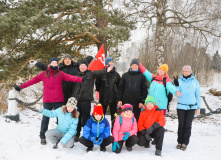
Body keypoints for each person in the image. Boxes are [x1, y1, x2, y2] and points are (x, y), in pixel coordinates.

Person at [13, 57, 83, 145]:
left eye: (56, 63)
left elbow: (71, 78)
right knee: (45, 118)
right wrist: (21, 87)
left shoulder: (61, 74)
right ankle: (42, 136)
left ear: (58, 64)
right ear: (49, 64)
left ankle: (61, 135)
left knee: (61, 118)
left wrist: (82, 79)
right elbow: (32, 81)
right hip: (47, 100)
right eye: (52, 62)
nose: (54, 64)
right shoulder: (43, 74)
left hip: (59, 100)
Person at [72, 59, 113, 142]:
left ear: (86, 67)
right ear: (79, 67)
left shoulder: (90, 74)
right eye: (81, 66)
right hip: (76, 101)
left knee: (87, 119)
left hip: (86, 100)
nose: (82, 67)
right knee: (77, 118)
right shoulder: (75, 75)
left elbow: (99, 72)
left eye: (84, 66)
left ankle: (89, 134)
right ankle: (77, 134)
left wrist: (106, 70)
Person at [174, 65, 201, 151]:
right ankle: (179, 142)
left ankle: (185, 143)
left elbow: (198, 95)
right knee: (181, 125)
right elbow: (176, 94)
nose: (186, 72)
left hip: (191, 107)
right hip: (181, 106)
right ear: (182, 72)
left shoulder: (195, 82)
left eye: (187, 71)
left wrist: (198, 107)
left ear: (190, 72)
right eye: (184, 71)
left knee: (188, 125)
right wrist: (176, 87)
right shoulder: (179, 81)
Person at [95, 57, 121, 128]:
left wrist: (117, 96)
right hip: (103, 98)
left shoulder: (116, 74)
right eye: (110, 62)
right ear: (106, 64)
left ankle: (114, 131)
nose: (111, 64)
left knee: (114, 116)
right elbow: (97, 85)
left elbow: (119, 86)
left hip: (113, 99)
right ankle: (101, 129)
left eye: (112, 62)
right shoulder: (101, 73)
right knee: (101, 116)